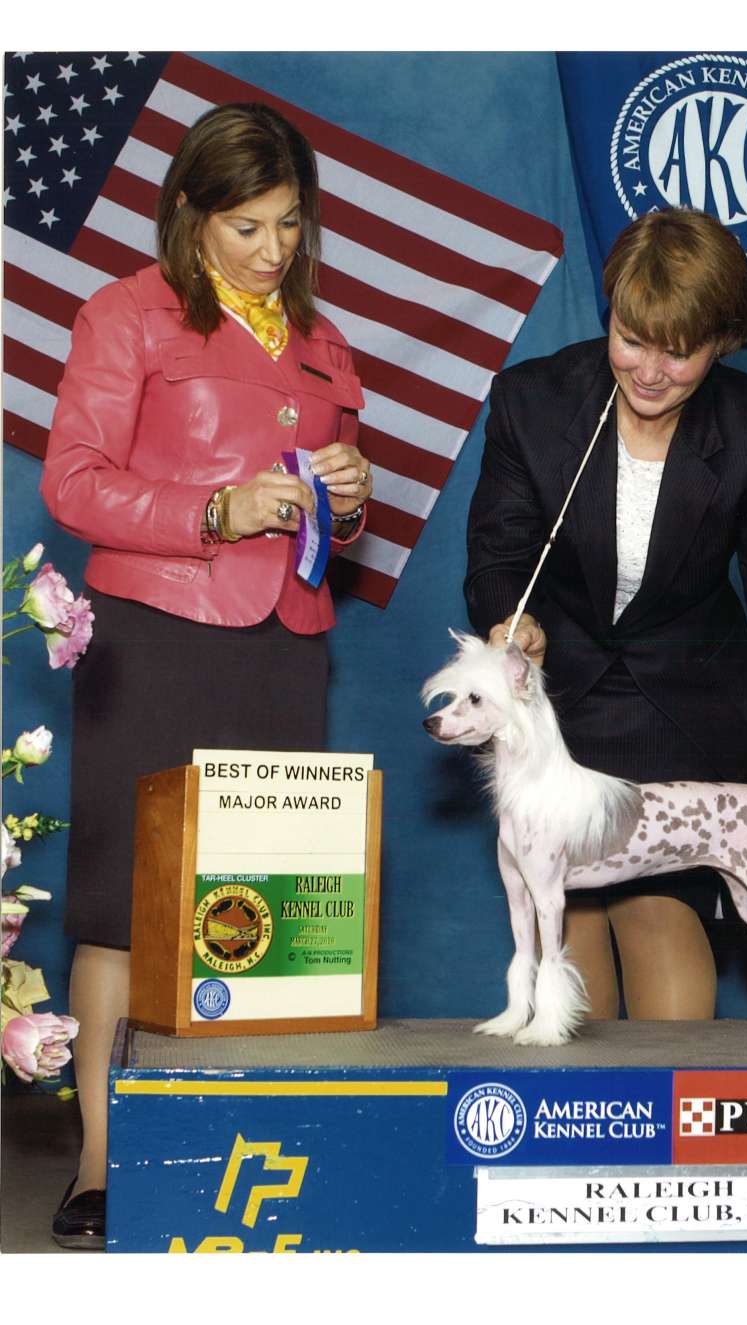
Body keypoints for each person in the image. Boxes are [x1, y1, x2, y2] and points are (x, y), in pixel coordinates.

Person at [40, 102, 373, 1249]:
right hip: (156, 637)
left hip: (286, 639)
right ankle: (97, 1165)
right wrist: (212, 509)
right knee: (123, 910)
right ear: (188, 214)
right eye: (245, 227)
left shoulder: (326, 343)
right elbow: (72, 485)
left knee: (267, 914)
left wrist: (348, 494)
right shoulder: (124, 316)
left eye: (288, 224)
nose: (272, 250)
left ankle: (246, 1164)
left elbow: (340, 509)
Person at [464, 207, 747, 1026]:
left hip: (686, 705)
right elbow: (498, 557)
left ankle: (677, 1142)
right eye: (633, 339)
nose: (652, 370)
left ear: (724, 341)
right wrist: (510, 631)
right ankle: (573, 1140)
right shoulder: (533, 401)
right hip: (561, 706)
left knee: (661, 913)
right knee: (571, 922)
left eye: (681, 350)